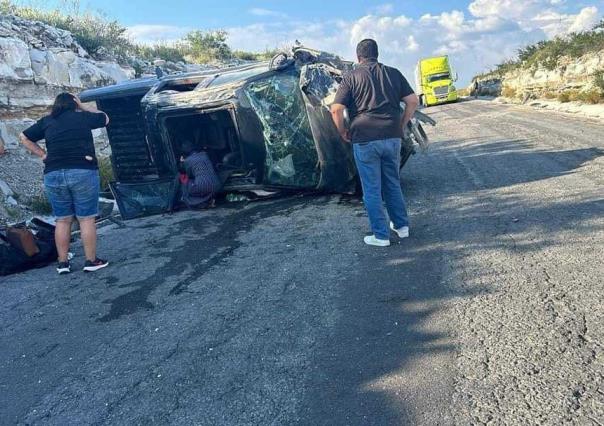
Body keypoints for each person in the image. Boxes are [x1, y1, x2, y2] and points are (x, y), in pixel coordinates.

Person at [331, 39, 419, 247]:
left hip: (364, 137)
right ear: (377, 54)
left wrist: (343, 131)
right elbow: (413, 101)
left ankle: (380, 236)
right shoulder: (393, 73)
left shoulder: (351, 77)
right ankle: (401, 227)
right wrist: (401, 122)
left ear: (358, 57)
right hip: (392, 136)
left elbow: (335, 109)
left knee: (371, 188)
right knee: (392, 183)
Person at [19, 93, 110, 274]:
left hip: (53, 173)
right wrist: (83, 106)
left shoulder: (47, 121)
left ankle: (62, 264)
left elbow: (23, 137)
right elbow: (105, 118)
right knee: (86, 218)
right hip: (82, 170)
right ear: (73, 103)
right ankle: (91, 261)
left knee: (63, 220)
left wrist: (43, 154)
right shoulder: (83, 117)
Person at [179, 140, 221, 209]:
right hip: (217, 185)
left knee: (183, 180)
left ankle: (192, 202)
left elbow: (188, 175)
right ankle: (209, 200)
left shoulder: (188, 160)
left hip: (203, 186)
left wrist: (182, 163)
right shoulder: (205, 154)